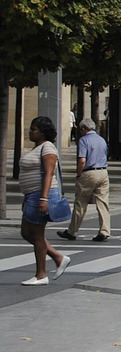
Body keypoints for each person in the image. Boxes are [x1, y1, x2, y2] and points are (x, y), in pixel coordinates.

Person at [18, 116, 71, 286]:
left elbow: (49, 174)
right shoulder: (38, 147)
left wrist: (43, 198)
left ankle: (41, 275)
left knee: (37, 235)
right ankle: (58, 257)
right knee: (26, 232)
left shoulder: (48, 148)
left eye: (33, 129)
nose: (30, 131)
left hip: (41, 195)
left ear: (42, 132)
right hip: (32, 195)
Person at [58, 117, 111, 243]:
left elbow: (82, 160)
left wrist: (78, 174)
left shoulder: (84, 140)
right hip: (103, 172)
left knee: (81, 203)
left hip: (89, 173)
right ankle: (104, 231)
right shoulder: (101, 140)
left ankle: (72, 231)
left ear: (83, 129)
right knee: (103, 203)